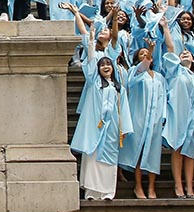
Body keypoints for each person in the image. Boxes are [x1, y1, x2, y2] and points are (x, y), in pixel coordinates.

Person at [70, 55, 132, 201]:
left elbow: (124, 109)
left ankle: (107, 193)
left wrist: (125, 129)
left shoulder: (119, 88)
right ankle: (92, 192)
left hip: (112, 128)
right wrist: (90, 42)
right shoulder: (94, 84)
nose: (105, 67)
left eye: (108, 64)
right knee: (93, 159)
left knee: (109, 161)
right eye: (102, 65)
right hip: (95, 127)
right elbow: (90, 65)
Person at [161, 48, 194, 199]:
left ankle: (189, 186)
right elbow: (170, 49)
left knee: (190, 153)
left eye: (188, 53)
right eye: (182, 53)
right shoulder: (175, 72)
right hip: (178, 115)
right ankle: (178, 184)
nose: (185, 53)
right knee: (177, 148)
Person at [118, 45, 165, 199]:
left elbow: (163, 98)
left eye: (147, 53)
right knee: (138, 150)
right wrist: (150, 50)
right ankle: (138, 186)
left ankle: (151, 187)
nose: (145, 55)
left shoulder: (159, 77)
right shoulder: (135, 73)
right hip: (139, 116)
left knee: (153, 154)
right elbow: (136, 75)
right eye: (142, 53)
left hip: (155, 119)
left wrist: (162, 118)